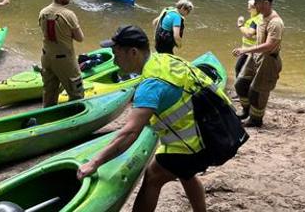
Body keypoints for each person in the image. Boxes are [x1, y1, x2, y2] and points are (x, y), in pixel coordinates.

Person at [78, 25, 220, 212]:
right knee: (185, 173)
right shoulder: (163, 59)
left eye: (116, 53)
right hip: (214, 128)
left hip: (200, 141)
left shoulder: (150, 85)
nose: (114, 61)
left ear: (133, 52)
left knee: (153, 176)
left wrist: (95, 162)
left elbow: (129, 133)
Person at [233, 0, 284, 127]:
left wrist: (245, 50)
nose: (254, 4)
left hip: (268, 60)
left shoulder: (276, 23)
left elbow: (269, 45)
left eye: (257, 2)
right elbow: (255, 36)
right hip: (255, 56)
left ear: (266, 3)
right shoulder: (261, 17)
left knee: (257, 92)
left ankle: (256, 120)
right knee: (241, 83)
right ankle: (246, 111)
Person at [38, 0, 85, 107]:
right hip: (64, 59)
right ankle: (75, 117)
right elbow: (80, 38)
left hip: (46, 56)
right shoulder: (68, 14)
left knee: (49, 90)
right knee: (76, 91)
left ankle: (48, 115)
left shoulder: (43, 12)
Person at [235, 0, 261, 78]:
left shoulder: (256, 20)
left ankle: (239, 89)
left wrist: (240, 25)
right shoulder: (257, 18)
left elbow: (249, 33)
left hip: (250, 51)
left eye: (249, 7)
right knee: (244, 70)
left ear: (255, 8)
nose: (248, 9)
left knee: (239, 68)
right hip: (251, 50)